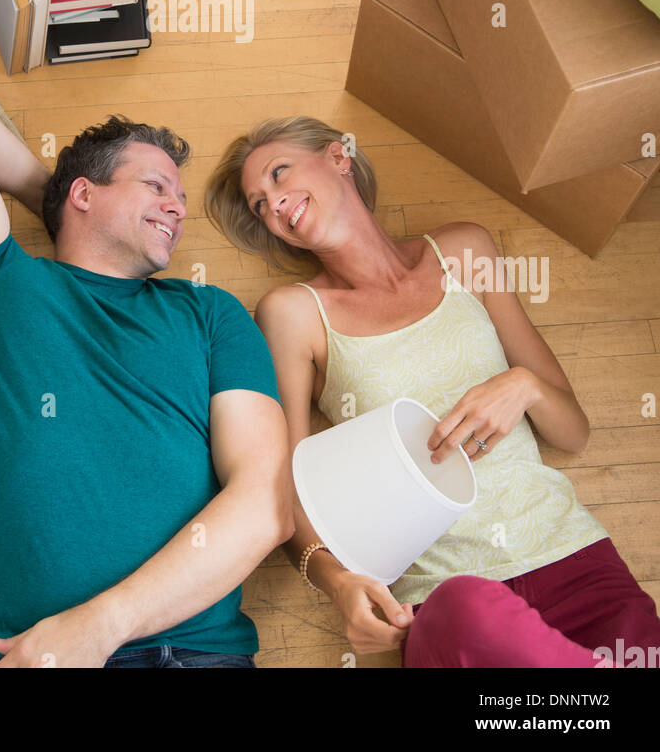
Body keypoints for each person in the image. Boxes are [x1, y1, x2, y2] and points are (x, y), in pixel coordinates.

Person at [204, 116, 660, 668]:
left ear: (338, 157)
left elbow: (573, 432)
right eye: (259, 205)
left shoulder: (465, 252)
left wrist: (524, 387)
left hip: (578, 562)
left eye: (279, 175)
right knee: (472, 610)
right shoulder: (293, 314)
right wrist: (339, 583)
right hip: (447, 597)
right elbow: (289, 492)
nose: (274, 204)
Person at [0, 87, 293, 669]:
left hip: (187, 654)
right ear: (85, 192)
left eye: (180, 198)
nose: (177, 208)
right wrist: (57, 199)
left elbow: (267, 502)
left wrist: (101, 626)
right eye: (156, 187)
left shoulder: (210, 313)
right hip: (17, 650)